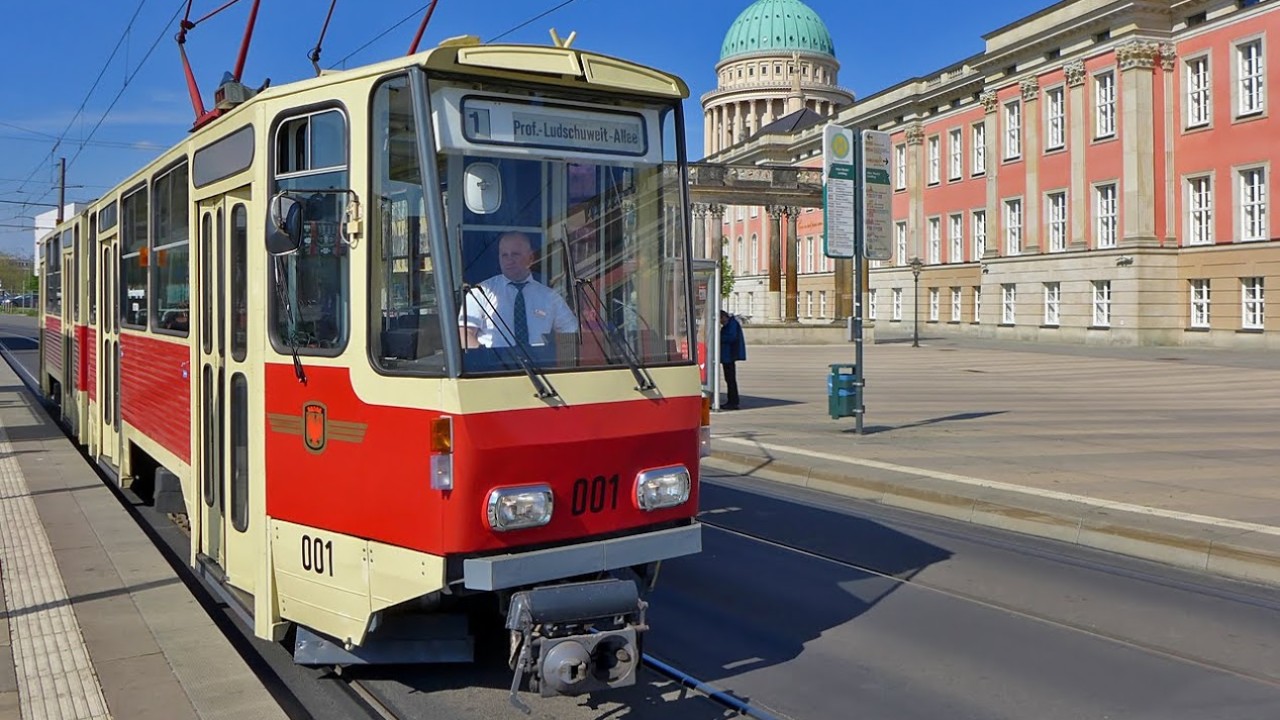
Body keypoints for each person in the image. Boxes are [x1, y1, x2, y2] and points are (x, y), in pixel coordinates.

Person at [459, 231, 577, 349]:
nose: (509, 260)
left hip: (540, 364)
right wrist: (485, 359)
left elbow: (572, 332)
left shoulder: (550, 297)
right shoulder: (480, 293)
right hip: (494, 364)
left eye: (515, 254)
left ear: (530, 258)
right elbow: (464, 334)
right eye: (504, 255)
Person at [719, 310, 746, 409]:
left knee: (730, 379)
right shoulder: (730, 324)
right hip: (728, 355)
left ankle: (733, 401)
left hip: (729, 355)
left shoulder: (731, 324)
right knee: (729, 379)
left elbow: (731, 337)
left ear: (723, 317)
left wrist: (718, 337)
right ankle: (732, 400)